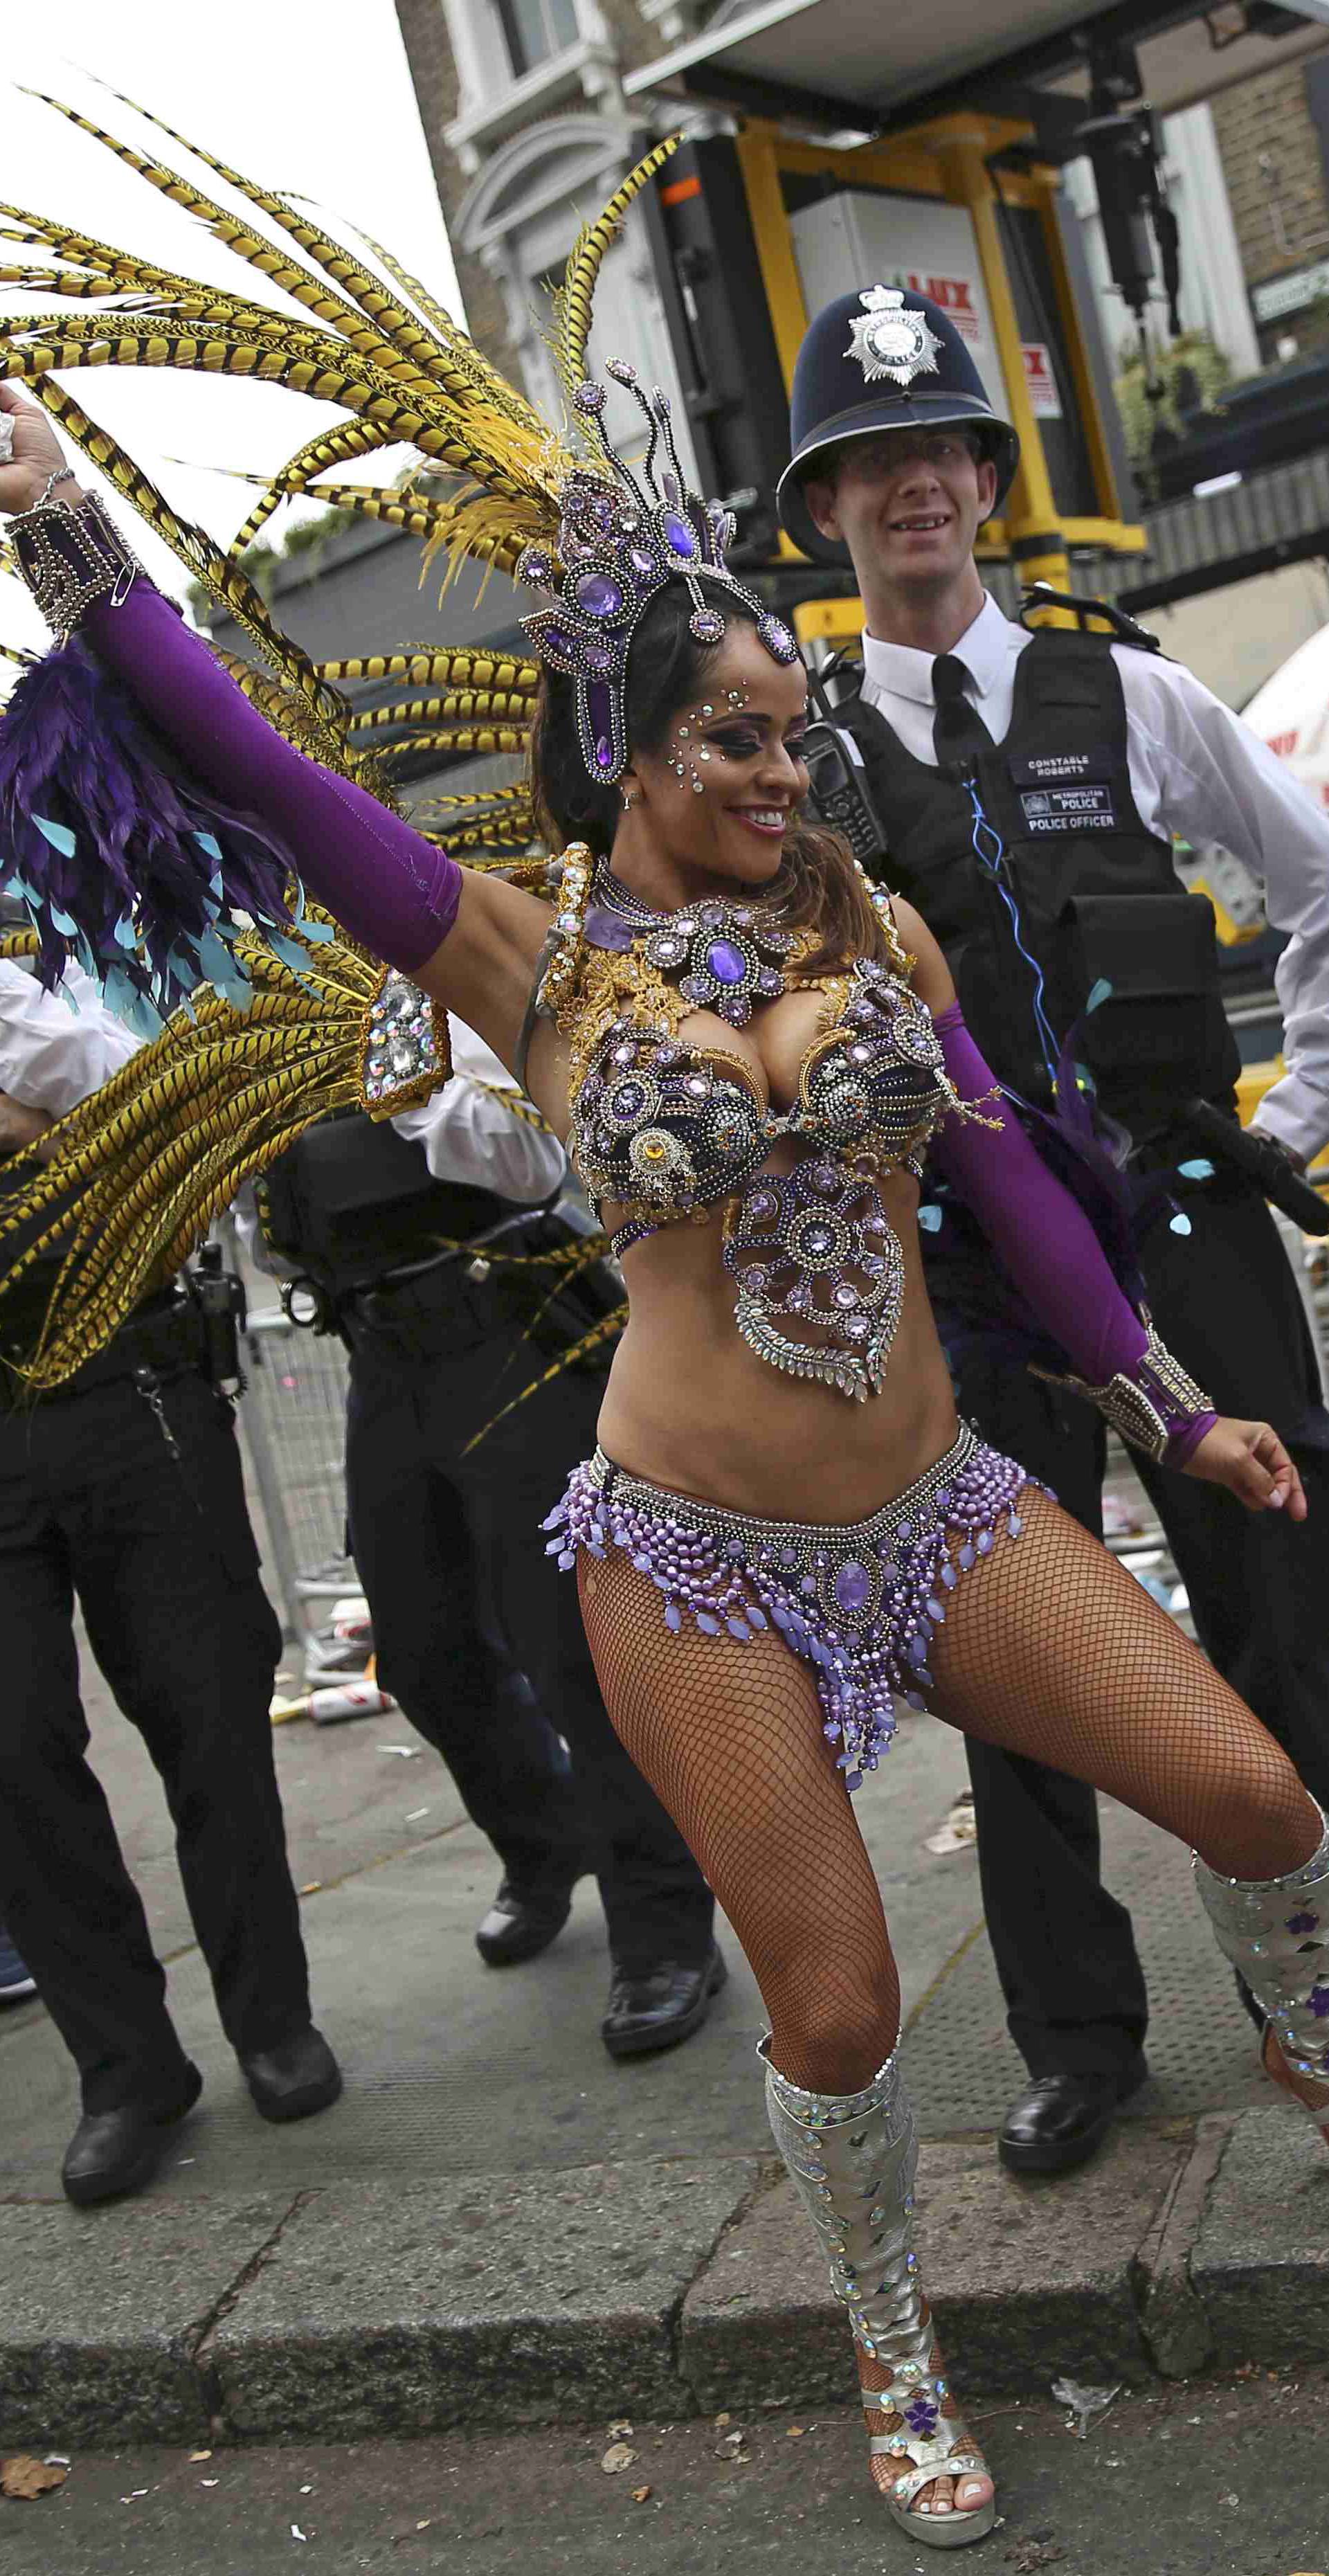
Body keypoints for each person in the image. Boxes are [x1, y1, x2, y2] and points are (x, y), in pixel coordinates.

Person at [2, 143, 1329, 2548]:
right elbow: (268, 787)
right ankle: (895, 2344)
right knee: (829, 2018)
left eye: (797, 734)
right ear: (630, 750)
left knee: (1256, 1801)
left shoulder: (886, 937)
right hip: (700, 1564)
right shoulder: (534, 965)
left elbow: (1014, 1175)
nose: (780, 774)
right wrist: (73, 545)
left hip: (942, 1507)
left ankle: (1306, 2024)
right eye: (732, 740)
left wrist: (1169, 1402)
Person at [776, 282, 1329, 2179]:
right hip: (970, 1288)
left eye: (943, 449)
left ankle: (1306, 1975)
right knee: (1008, 1655)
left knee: (1285, 1599)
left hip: (1184, 1223)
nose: (915, 485)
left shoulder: (1135, 693)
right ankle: (1078, 2039)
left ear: (986, 483)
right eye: (874, 459)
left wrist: (1300, 1111)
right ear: (828, 504)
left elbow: (1315, 885)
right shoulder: (805, 759)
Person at [259, 1023, 723, 2051]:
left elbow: (529, 1155)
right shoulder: (272, 1007)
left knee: (574, 1651)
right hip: (382, 1354)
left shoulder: (431, 966)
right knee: (422, 1652)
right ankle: (546, 1842)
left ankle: (666, 1927)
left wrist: (398, 1077)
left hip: (504, 1333)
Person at [0, 952, 341, 2205]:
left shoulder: (60, 947)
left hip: (132, 1398)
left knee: (207, 1715)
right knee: (12, 1754)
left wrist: (63, 1115)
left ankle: (271, 2020)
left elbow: (144, 1101)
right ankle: (125, 2069)